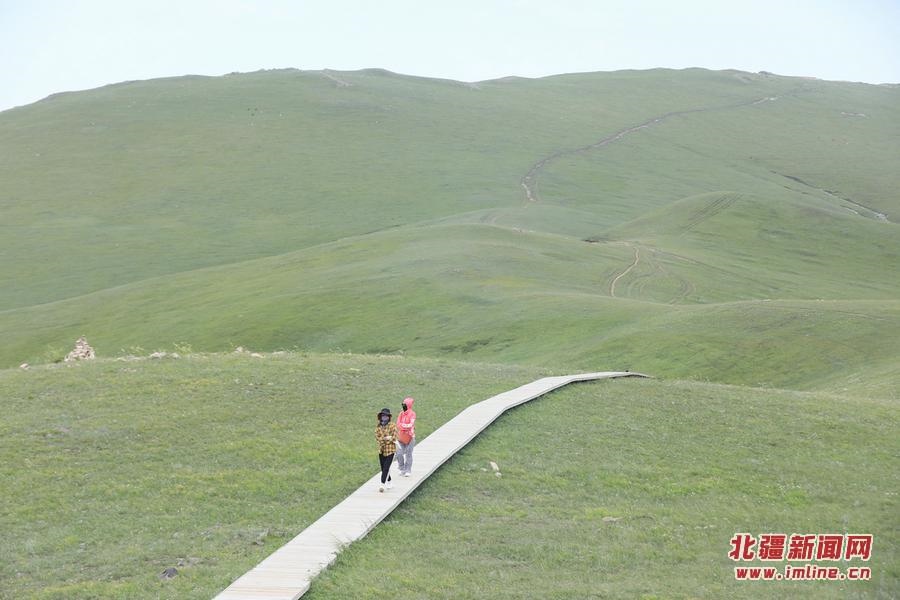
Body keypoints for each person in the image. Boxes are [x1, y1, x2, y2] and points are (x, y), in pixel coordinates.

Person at [375, 407, 397, 492]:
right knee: (383, 467)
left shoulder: (392, 426)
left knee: (386, 468)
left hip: (391, 450)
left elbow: (394, 438)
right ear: (380, 416)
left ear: (389, 417)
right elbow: (378, 438)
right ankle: (389, 481)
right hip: (381, 450)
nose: (384, 417)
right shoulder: (378, 427)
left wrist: (384, 439)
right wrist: (386, 438)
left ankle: (382, 485)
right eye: (383, 415)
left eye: (386, 415)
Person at [395, 397, 416, 477]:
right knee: (399, 453)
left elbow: (411, 425)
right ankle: (402, 468)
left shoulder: (412, 414)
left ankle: (408, 470)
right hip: (401, 437)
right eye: (403, 404)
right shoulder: (401, 414)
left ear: (408, 405)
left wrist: (403, 426)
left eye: (405, 404)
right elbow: (398, 424)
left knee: (408, 454)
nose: (403, 406)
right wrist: (404, 426)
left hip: (410, 437)